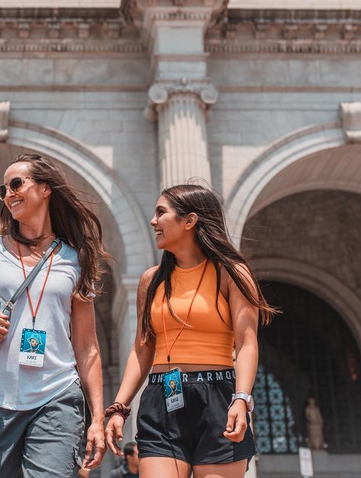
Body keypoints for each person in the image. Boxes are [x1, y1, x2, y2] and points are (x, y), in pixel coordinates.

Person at [0, 152, 110, 477]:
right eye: (3, 189)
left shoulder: (77, 260)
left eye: (16, 184)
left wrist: (97, 418)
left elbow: (87, 345)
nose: (8, 193)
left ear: (46, 188)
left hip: (56, 396)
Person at [104, 184, 276, 478]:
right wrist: (119, 406)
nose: (153, 220)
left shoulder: (232, 272)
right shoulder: (151, 280)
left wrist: (241, 398)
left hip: (218, 398)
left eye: (161, 212)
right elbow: (142, 348)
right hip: (161, 398)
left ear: (189, 220)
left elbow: (247, 344)